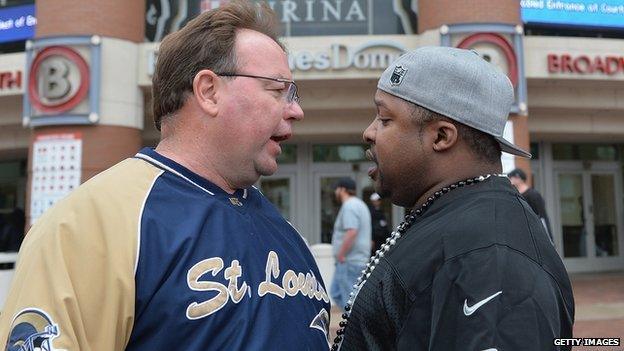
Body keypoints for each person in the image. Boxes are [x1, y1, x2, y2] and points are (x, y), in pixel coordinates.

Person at [0, 2, 331, 350]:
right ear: (209, 90)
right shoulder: (91, 223)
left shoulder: (285, 232)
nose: (296, 110)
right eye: (278, 90)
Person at [332, 47, 574, 351]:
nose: (369, 132)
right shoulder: (454, 221)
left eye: (385, 118)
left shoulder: (490, 257)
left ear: (442, 137)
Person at [330, 177, 371, 311]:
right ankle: (353, 323)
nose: (336, 192)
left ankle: (353, 328)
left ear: (342, 190)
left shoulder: (349, 206)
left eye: (337, 189)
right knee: (336, 292)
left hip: (349, 261)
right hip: (355, 260)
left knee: (350, 302)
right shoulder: (360, 205)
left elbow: (352, 231)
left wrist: (341, 254)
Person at [508, 168, 554, 243]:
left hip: (534, 234)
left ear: (518, 178)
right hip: (521, 234)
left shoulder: (533, 195)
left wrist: (549, 239)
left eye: (511, 178)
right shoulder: (514, 195)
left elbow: (542, 217)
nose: (510, 180)